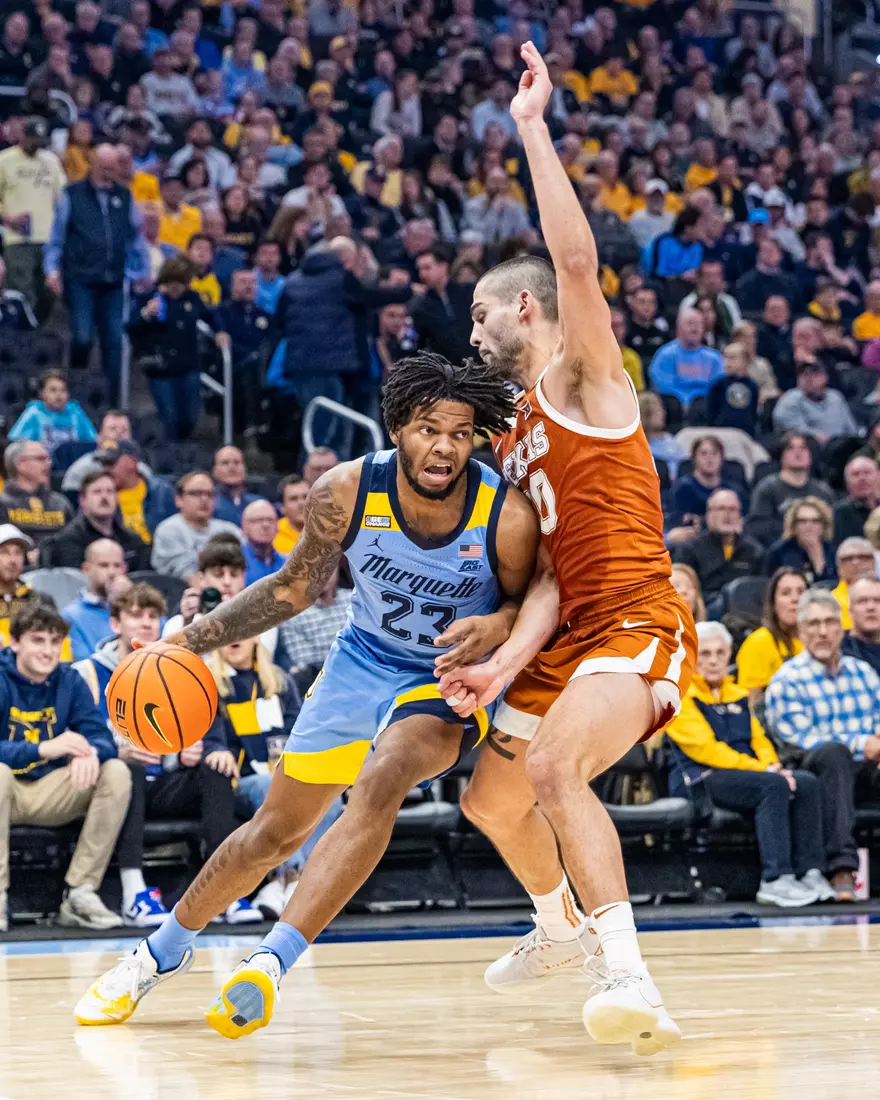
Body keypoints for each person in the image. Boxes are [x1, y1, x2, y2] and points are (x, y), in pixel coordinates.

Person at [74, 353, 538, 1037]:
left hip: (444, 679)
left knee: (382, 780)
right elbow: (292, 590)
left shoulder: (506, 514)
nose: (444, 446)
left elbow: (530, 607)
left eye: (461, 433)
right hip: (359, 661)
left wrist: (497, 624)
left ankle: (269, 962)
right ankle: (158, 954)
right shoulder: (348, 490)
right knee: (271, 833)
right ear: (397, 428)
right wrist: (187, 642)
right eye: (427, 428)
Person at [444, 46, 697, 1052]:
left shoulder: (586, 376)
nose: (469, 338)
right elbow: (546, 575)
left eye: (477, 315)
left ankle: (634, 978)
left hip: (635, 612)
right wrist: (506, 657)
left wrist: (532, 128)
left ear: (522, 308)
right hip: (568, 625)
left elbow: (579, 264)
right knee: (488, 797)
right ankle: (556, 927)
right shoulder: (513, 434)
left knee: (551, 767)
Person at [666, 621, 831, 907]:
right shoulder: (680, 696)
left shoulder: (738, 694)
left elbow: (759, 739)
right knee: (772, 785)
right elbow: (706, 750)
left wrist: (773, 765)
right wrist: (764, 771)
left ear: (730, 655)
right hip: (699, 777)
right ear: (691, 657)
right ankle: (775, 879)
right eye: (705, 654)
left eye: (720, 653)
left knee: (805, 782)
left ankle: (810, 872)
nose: (714, 660)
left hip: (745, 775)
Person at [0, 601, 131, 932]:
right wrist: (43, 747)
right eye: (38, 640)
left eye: (55, 642)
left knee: (115, 772)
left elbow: (101, 737)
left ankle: (80, 893)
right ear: (14, 643)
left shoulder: (69, 681)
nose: (48, 651)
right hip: (7, 792)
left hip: (53, 791)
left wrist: (89, 753)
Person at [202, 636, 333, 918]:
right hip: (242, 781)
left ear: (256, 638)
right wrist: (215, 749)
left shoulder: (280, 681)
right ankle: (288, 878)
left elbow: (301, 730)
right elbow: (210, 737)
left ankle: (289, 882)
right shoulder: (209, 683)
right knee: (270, 787)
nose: (234, 639)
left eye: (241, 632)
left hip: (286, 773)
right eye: (227, 633)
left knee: (330, 795)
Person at [764, 588, 880, 901]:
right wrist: (861, 742)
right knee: (834, 754)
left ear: (841, 629)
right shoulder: (787, 679)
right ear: (801, 631)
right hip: (816, 769)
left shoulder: (864, 674)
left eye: (830, 622)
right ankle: (841, 867)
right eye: (813, 624)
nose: (823, 631)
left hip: (868, 765)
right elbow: (799, 739)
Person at [74, 583, 171, 926]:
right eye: (135, 615)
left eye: (153, 616)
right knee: (127, 769)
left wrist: (190, 747)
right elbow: (75, 738)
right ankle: (134, 892)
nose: (146, 623)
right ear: (115, 624)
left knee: (213, 771)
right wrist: (119, 748)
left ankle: (227, 895)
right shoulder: (86, 672)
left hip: (163, 777)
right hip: (108, 781)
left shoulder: (173, 672)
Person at [44, 144, 149, 403]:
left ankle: (111, 403)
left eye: (115, 167)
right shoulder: (72, 194)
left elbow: (136, 238)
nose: (111, 172)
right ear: (94, 165)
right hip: (80, 278)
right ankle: (76, 388)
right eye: (106, 167)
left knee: (113, 341)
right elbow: (56, 237)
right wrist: (52, 270)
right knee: (82, 337)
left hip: (113, 281)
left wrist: (142, 271)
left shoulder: (125, 197)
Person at [128, 255, 217, 441]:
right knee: (169, 418)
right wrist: (145, 315)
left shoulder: (193, 298)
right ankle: (172, 454)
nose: (176, 287)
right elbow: (131, 326)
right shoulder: (150, 298)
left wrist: (221, 331)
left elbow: (212, 317)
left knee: (191, 417)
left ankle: (183, 447)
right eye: (172, 282)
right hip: (161, 370)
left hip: (188, 367)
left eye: (181, 282)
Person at [0, 116, 66, 322]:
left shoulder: (51, 161)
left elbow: (63, 198)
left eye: (39, 140)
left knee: (48, 295)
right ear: (22, 136)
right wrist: (7, 219)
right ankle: (19, 345)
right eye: (32, 139)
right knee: (21, 294)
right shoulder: (4, 160)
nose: (35, 144)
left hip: (48, 239)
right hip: (18, 239)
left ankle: (41, 343)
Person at [41, 468, 150, 573]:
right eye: (97, 492)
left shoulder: (132, 540)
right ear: (82, 500)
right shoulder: (68, 541)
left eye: (110, 491)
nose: (104, 497)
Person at [747, 431, 835, 546]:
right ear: (782, 456)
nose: (798, 452)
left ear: (810, 456)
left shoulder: (823, 491)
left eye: (803, 448)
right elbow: (758, 528)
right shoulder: (767, 489)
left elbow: (831, 528)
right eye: (790, 448)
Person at [676, 489, 763, 604]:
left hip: (743, 614)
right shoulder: (690, 549)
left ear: (740, 515)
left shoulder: (755, 551)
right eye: (721, 508)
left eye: (732, 509)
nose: (727, 515)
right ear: (708, 514)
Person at [151, 472, 241, 582]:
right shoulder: (168, 530)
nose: (204, 499)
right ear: (179, 500)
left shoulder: (229, 530)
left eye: (209, 494)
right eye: (196, 493)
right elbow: (185, 574)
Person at [737, 567, 807, 706]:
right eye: (786, 593)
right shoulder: (760, 642)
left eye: (801, 592)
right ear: (773, 604)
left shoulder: (819, 640)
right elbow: (751, 705)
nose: (795, 599)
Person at [61, 539, 129, 661]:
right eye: (104, 565)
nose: (112, 572)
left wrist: (132, 599)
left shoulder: (142, 609)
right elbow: (84, 664)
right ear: (86, 569)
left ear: (124, 569)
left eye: (117, 565)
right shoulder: (70, 616)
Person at [98, 440, 176, 545]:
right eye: (103, 464)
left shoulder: (162, 492)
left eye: (110, 463)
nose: (105, 470)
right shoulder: (97, 497)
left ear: (132, 462)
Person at [8, 369, 97, 457]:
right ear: (42, 393)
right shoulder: (34, 413)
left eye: (63, 390)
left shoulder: (75, 413)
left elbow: (92, 442)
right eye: (53, 390)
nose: (59, 395)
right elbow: (16, 445)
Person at [648, 308, 725, 408]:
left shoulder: (715, 358)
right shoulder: (665, 355)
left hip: (707, 407)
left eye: (699, 324)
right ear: (678, 328)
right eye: (690, 323)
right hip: (675, 410)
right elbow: (663, 388)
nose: (695, 328)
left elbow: (719, 387)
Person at [410, 246, 475, 364]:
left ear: (443, 266)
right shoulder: (420, 306)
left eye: (427, 268)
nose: (422, 274)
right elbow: (416, 345)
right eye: (419, 269)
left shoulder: (469, 292)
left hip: (480, 367)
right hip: (447, 373)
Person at [0, 440, 72, 545]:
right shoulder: (3, 503)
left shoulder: (60, 502)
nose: (48, 464)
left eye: (49, 459)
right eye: (41, 459)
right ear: (20, 463)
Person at [772, 361, 859, 442]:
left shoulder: (835, 397)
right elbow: (795, 431)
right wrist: (819, 437)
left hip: (841, 448)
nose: (809, 378)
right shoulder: (790, 400)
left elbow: (851, 430)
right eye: (804, 374)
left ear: (826, 377)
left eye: (815, 372)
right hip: (810, 451)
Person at [765, 497, 837, 586]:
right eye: (803, 521)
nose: (809, 526)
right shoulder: (779, 552)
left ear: (823, 526)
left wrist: (819, 562)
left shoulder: (833, 552)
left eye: (815, 521)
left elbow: (835, 587)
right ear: (794, 525)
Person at [831, 538, 877, 630]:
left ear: (874, 564)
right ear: (839, 567)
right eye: (848, 559)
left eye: (863, 557)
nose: (856, 562)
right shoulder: (830, 601)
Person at [211, 446, 263, 527]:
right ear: (214, 470)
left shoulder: (259, 503)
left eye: (237, 462)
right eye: (225, 463)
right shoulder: (208, 504)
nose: (232, 468)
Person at [834, 456, 880, 543]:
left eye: (867, 473)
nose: (862, 478)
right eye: (855, 474)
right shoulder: (840, 513)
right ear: (847, 483)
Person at [841, 575, 880, 674]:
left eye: (877, 600)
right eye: (862, 601)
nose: (870, 607)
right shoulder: (837, 651)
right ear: (850, 610)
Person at [241, 499, 285, 585]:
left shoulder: (287, 563)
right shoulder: (235, 563)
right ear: (244, 526)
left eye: (270, 520)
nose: (265, 525)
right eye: (258, 520)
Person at [274, 474, 308, 555]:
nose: (301, 503)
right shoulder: (273, 536)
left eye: (305, 497)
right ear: (282, 507)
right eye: (293, 499)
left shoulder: (327, 532)